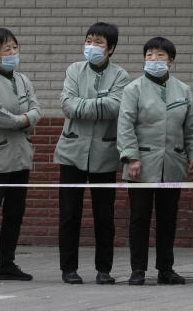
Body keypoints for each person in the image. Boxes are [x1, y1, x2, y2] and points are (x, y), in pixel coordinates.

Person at [117, 36, 193, 286]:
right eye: (149, 55)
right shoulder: (134, 89)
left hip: (173, 163)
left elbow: (191, 126)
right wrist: (131, 157)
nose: (154, 60)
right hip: (142, 165)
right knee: (139, 218)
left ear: (171, 61)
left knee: (168, 218)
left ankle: (166, 269)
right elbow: (125, 125)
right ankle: (138, 270)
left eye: (160, 55)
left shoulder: (182, 89)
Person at [54, 22, 129, 285]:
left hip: (104, 154)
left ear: (111, 49)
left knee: (104, 215)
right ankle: (68, 269)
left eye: (98, 43)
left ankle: (104, 269)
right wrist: (97, 104)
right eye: (89, 41)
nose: (92, 47)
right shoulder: (74, 70)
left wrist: (84, 105)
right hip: (72, 151)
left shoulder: (120, 75)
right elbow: (67, 104)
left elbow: (116, 106)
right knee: (69, 213)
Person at [0, 28, 42, 283]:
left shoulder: (23, 80)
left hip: (20, 156)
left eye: (15, 47)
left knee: (15, 212)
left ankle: (6, 263)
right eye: (6, 49)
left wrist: (25, 119)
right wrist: (23, 120)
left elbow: (36, 108)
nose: (13, 53)